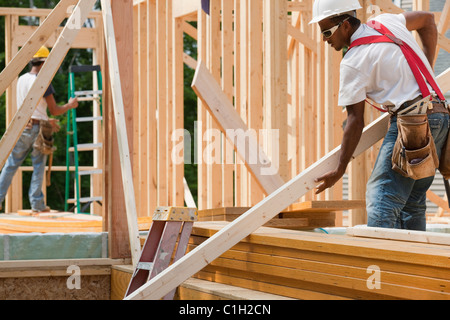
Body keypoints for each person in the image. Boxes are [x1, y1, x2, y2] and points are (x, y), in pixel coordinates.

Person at [310, 0, 449, 230]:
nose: (325, 39)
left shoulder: (353, 62)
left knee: (381, 198)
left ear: (345, 25)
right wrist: (427, 67)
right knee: (411, 204)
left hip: (413, 124)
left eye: (327, 32)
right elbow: (427, 20)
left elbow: (354, 121)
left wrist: (340, 168)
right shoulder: (385, 23)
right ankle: (413, 263)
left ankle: (380, 265)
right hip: (441, 116)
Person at [0, 46, 78, 213]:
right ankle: (37, 204)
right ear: (44, 62)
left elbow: (31, 107)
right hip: (38, 131)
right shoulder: (42, 82)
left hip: (22, 126)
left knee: (11, 165)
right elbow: (55, 109)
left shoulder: (21, 79)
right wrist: (70, 105)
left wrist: (45, 117)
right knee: (38, 165)